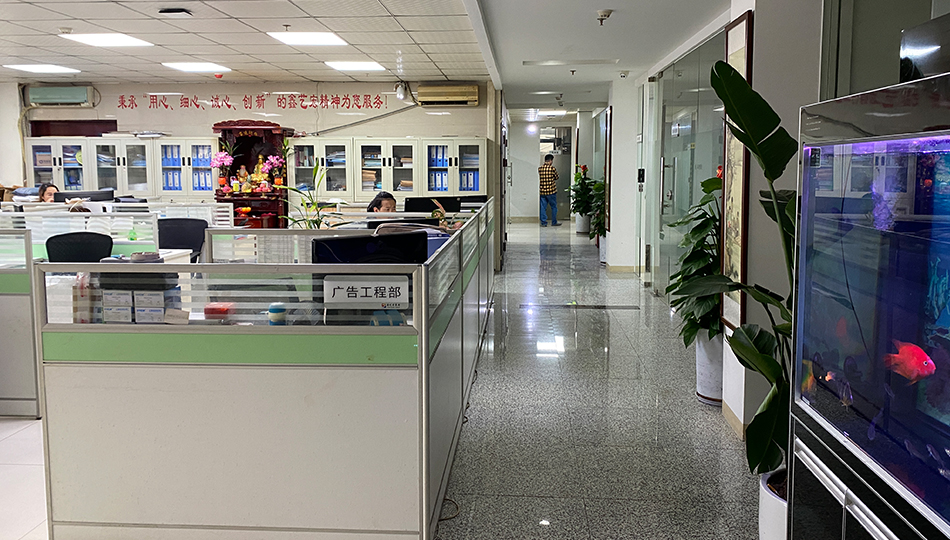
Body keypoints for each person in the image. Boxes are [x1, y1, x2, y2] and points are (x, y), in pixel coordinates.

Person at [538, 154, 560, 226]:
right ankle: (554, 222)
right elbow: (557, 177)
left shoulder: (540, 168)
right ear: (550, 160)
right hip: (551, 191)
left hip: (542, 191)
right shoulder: (552, 168)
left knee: (543, 207)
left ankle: (543, 222)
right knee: (553, 207)